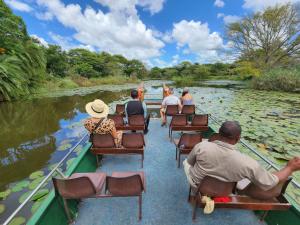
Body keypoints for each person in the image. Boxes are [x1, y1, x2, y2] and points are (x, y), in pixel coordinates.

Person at [183, 121, 300, 195]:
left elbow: (190, 162)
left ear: (218, 133)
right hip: (225, 192)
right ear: (238, 138)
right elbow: (270, 181)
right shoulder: (248, 163)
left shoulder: (201, 146)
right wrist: (289, 168)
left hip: (198, 187)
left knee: (186, 163)